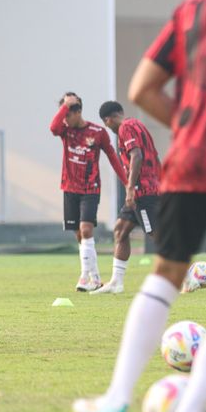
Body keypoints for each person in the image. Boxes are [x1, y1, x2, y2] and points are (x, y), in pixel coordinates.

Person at [73, 0, 206, 412]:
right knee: (126, 236)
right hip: (171, 175)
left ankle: (117, 395)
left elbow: (142, 89)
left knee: (163, 268)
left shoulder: (194, 9)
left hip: (187, 164)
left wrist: (190, 126)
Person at [49, 92, 128, 292]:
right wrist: (65, 106)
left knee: (86, 230)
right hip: (69, 188)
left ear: (79, 112)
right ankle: (95, 278)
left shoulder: (97, 132)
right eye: (63, 114)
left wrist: (127, 182)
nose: (65, 119)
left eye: (68, 114)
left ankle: (84, 277)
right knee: (79, 235)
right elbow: (53, 128)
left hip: (90, 188)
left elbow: (112, 157)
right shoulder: (65, 131)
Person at [93, 101, 161, 294]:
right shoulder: (137, 124)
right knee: (120, 230)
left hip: (142, 190)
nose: (109, 127)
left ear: (108, 119)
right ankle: (116, 282)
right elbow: (154, 157)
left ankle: (190, 272)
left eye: (106, 124)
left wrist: (130, 188)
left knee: (156, 233)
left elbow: (137, 156)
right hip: (146, 186)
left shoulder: (125, 128)